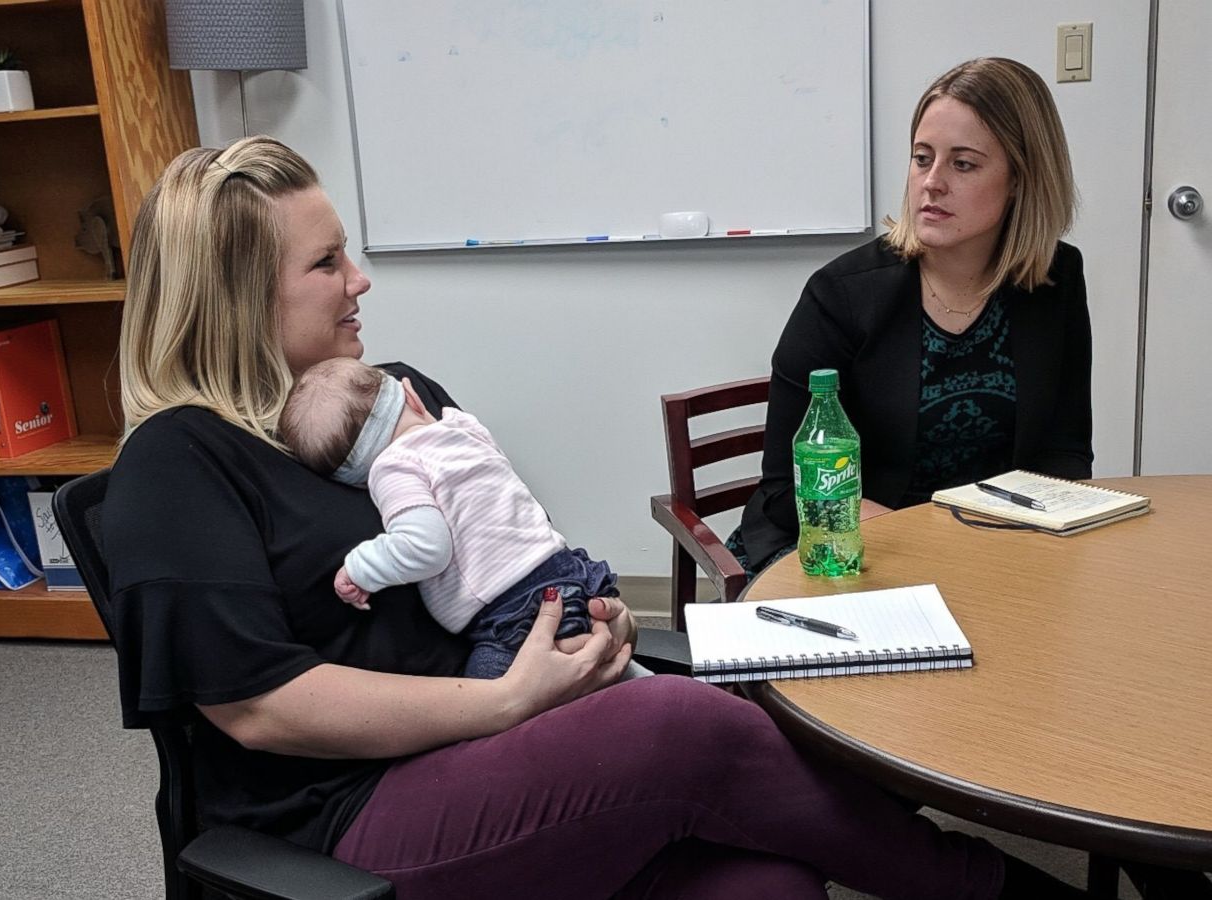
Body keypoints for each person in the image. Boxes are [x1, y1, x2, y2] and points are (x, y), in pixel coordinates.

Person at [103, 134, 1096, 898]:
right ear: (233, 298)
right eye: (326, 265)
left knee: (772, 885)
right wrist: (502, 704)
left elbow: (498, 551)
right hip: (347, 817)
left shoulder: (389, 394)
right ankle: (992, 885)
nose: (361, 281)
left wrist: (579, 628)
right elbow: (260, 706)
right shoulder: (177, 462)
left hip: (489, 740)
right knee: (683, 728)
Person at [732, 57, 1092, 574]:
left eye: (963, 164)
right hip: (853, 548)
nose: (932, 182)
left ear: (1022, 179)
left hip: (996, 551)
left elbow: (1064, 453)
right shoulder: (842, 294)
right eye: (922, 158)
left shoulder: (1055, 278)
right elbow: (787, 487)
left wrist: (1047, 549)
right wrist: (934, 545)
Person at [277, 356, 646, 680]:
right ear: (412, 396)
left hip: (513, 611)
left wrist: (360, 568)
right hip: (568, 571)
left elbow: (426, 547)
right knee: (601, 657)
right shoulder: (464, 427)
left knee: (489, 700)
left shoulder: (392, 468)